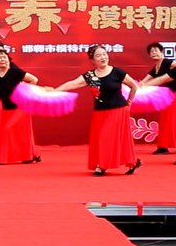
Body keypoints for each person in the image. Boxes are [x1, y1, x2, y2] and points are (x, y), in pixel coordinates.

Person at [54, 45, 142, 176]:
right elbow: (72, 84)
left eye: (104, 54)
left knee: (105, 137)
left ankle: (102, 166)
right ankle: (133, 162)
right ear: (93, 60)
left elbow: (134, 86)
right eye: (99, 55)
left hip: (118, 109)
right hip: (100, 112)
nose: (103, 57)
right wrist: (55, 90)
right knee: (100, 139)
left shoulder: (117, 72)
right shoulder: (90, 76)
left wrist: (129, 101)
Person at [140, 42, 176, 155]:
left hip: (175, 95)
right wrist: (134, 88)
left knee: (175, 121)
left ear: (161, 52)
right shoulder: (156, 68)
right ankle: (163, 147)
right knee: (164, 122)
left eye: (156, 51)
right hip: (165, 97)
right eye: (151, 52)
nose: (154, 53)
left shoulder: (168, 62)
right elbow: (143, 82)